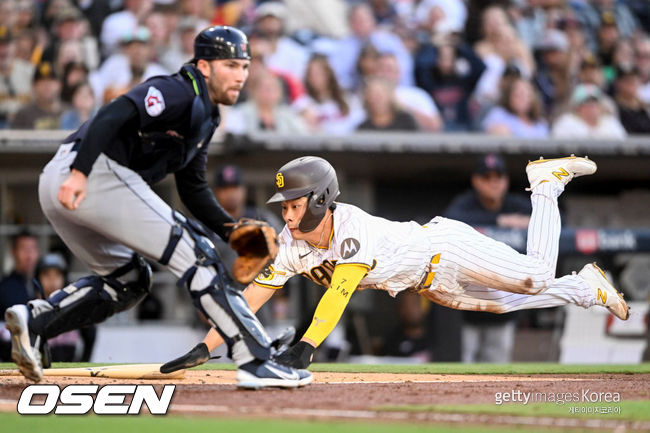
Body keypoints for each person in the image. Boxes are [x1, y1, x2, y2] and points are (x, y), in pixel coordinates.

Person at [4, 26, 312, 389]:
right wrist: (80, 173)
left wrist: (229, 230)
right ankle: (256, 360)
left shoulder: (207, 116)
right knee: (198, 255)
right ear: (205, 66)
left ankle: (36, 323)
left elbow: (193, 186)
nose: (241, 76)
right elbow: (112, 114)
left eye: (245, 67)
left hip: (69, 180)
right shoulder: (181, 90)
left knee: (131, 280)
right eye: (231, 65)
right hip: (90, 172)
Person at [161, 154, 630, 372]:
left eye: (295, 204)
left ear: (322, 200)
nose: (287, 213)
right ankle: (587, 289)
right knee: (509, 304)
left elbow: (339, 290)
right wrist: (209, 343)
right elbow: (256, 293)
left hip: (445, 248)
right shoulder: (291, 240)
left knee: (534, 277)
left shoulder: (350, 226)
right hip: (428, 284)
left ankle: (545, 185)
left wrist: (307, 345)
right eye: (283, 205)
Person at [445, 154, 531, 363]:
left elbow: (559, 220)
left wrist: (528, 222)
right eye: (487, 177)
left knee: (497, 366)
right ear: (476, 180)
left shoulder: (515, 204)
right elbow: (449, 220)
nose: (494, 182)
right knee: (463, 365)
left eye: (498, 177)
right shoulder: (466, 204)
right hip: (467, 306)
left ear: (506, 180)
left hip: (502, 307)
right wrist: (498, 220)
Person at [34, 253, 96, 362]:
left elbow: (90, 335)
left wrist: (83, 363)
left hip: (68, 369)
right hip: (39, 370)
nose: (52, 281)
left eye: (57, 275)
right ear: (38, 278)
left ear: (64, 277)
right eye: (47, 275)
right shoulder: (31, 307)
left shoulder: (73, 306)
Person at [551, 84, 627, 139]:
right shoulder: (565, 123)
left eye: (594, 102)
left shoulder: (611, 123)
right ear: (576, 107)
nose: (591, 107)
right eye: (585, 103)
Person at [481, 77, 549, 138]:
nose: (521, 99)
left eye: (524, 95)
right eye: (516, 95)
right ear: (509, 97)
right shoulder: (499, 114)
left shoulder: (540, 123)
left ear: (532, 98)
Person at [9, 62, 64, 130]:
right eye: (41, 80)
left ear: (60, 85)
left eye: (51, 80)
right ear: (33, 85)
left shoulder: (69, 114)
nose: (46, 84)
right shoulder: (23, 115)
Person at [0, 230, 39, 317]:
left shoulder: (40, 283)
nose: (29, 256)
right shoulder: (5, 289)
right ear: (14, 252)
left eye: (33, 249)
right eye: (24, 249)